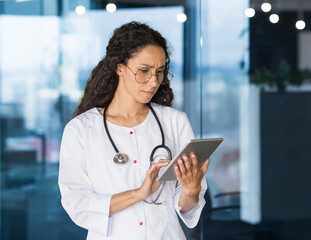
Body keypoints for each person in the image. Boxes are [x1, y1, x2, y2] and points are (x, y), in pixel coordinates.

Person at [58, 21, 208, 240]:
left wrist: (192, 189)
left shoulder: (175, 122)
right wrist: (139, 194)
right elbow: (77, 203)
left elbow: (185, 207)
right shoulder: (81, 129)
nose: (153, 81)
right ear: (119, 67)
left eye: (159, 71)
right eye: (143, 71)